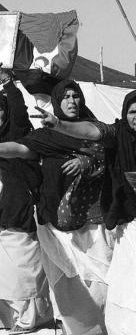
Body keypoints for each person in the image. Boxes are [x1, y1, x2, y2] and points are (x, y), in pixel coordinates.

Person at [36, 88, 136, 335]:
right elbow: (93, 130)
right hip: (131, 229)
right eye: (132, 111)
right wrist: (59, 124)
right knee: (126, 299)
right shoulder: (120, 133)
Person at [0, 79, 112, 335]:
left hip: (94, 226)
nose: (72, 101)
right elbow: (18, 148)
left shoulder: (98, 132)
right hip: (57, 229)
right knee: (68, 289)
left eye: (76, 96)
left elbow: (115, 157)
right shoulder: (46, 137)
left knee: (101, 286)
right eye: (66, 97)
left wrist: (88, 162)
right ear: (57, 102)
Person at [0, 69, 53, 335]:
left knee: (25, 279)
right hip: (2, 228)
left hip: (20, 224)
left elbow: (17, 111)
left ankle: (34, 322)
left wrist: (8, 84)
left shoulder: (20, 138)